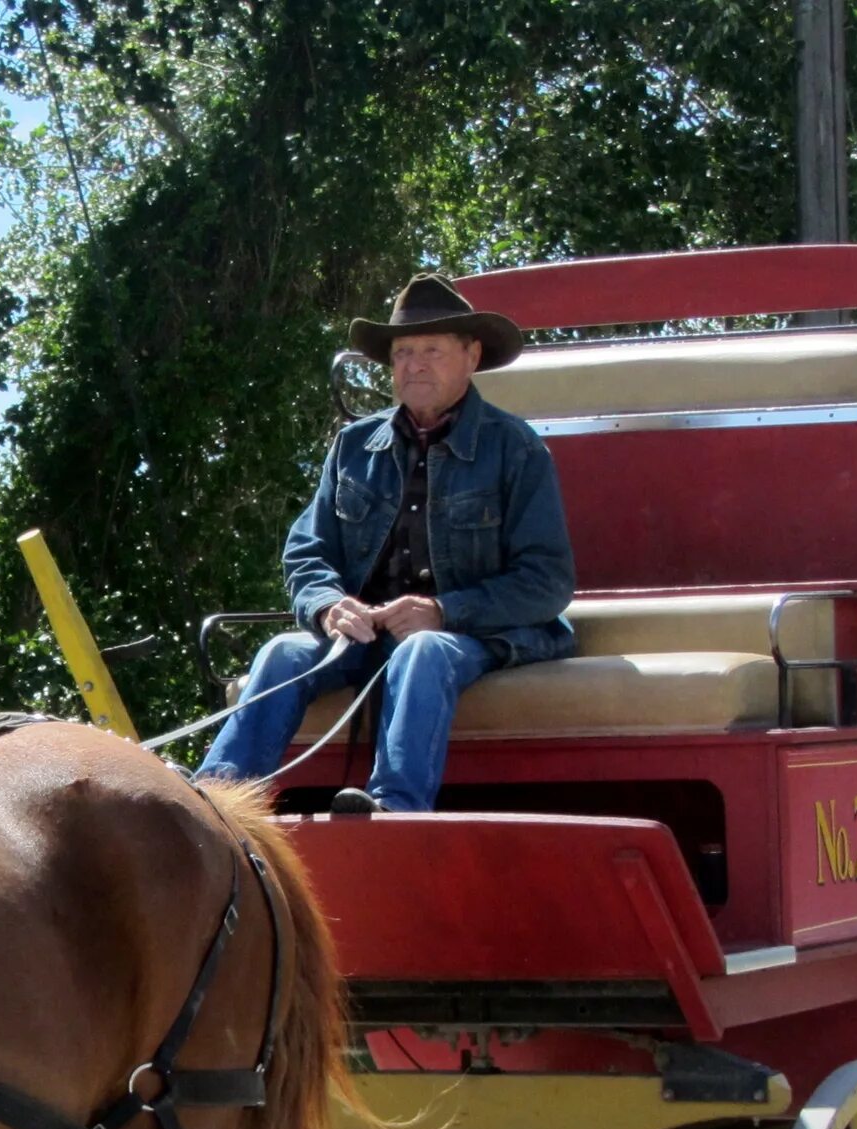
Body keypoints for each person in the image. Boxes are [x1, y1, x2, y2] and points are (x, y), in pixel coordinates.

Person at [198, 273, 575, 813]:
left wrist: (442, 611)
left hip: (472, 635)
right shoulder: (354, 446)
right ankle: (216, 807)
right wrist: (329, 606)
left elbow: (548, 581)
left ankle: (392, 809)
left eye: (431, 351)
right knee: (283, 651)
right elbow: (307, 551)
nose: (413, 365)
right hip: (365, 634)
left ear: (471, 357)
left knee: (422, 651)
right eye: (402, 352)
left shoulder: (515, 448)